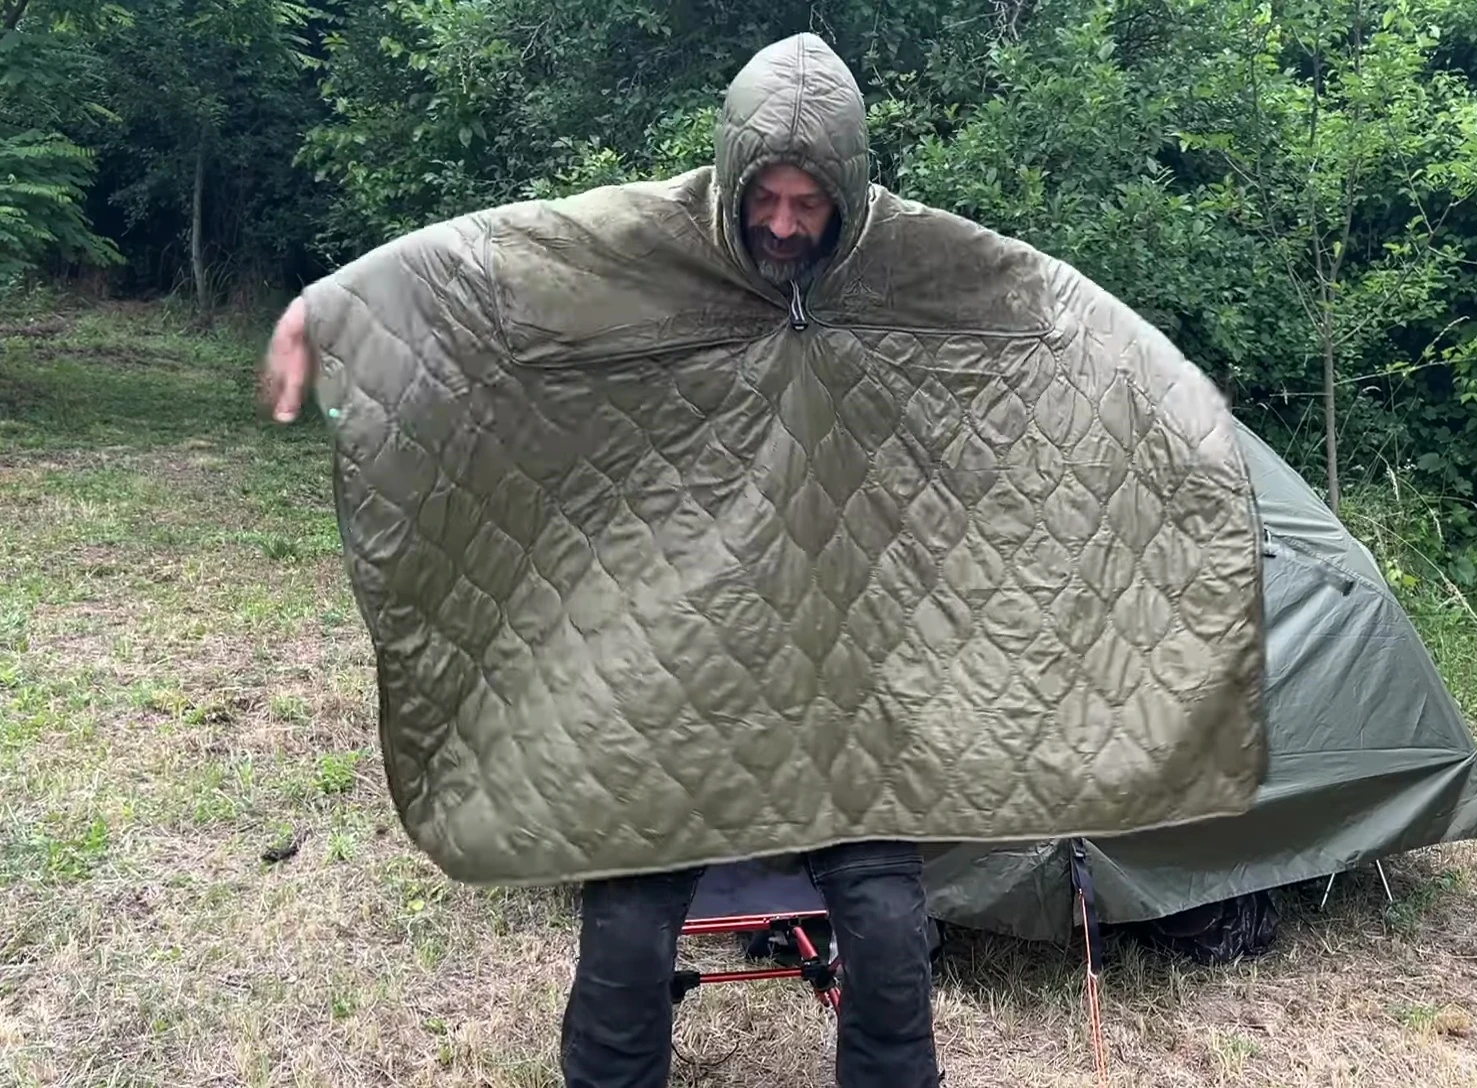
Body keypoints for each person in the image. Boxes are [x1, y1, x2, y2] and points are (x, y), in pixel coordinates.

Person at [258, 29, 1268, 1088]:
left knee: (888, 930)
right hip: (677, 677)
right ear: (734, 175)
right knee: (629, 924)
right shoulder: (647, 243)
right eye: (767, 199)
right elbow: (484, 265)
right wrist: (328, 316)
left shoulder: (913, 258)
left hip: (844, 689)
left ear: (848, 193)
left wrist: (1182, 402)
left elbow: (1060, 313)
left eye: (810, 203)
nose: (784, 224)